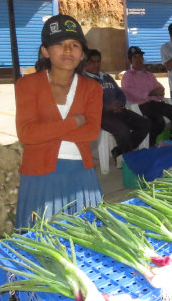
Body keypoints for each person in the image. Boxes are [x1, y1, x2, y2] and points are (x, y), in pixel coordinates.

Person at [14, 14, 103, 228]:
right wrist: (73, 122)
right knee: (43, 240)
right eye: (59, 44)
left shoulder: (92, 88)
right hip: (40, 176)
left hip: (80, 173)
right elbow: (26, 134)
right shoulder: (27, 85)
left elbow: (91, 133)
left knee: (84, 238)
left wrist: (44, 131)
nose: (67, 50)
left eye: (74, 45)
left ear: (82, 54)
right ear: (45, 51)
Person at [83, 49, 150, 164]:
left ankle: (120, 151)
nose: (96, 65)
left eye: (98, 61)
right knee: (122, 130)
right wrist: (107, 106)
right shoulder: (83, 80)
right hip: (101, 115)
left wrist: (120, 103)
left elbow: (120, 93)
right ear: (85, 63)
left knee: (145, 123)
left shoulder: (106, 76)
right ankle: (130, 161)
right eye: (92, 62)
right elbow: (86, 104)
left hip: (119, 110)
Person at [122, 46, 172, 144]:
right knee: (158, 123)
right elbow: (132, 94)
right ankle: (151, 147)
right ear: (130, 61)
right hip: (141, 106)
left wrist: (159, 91)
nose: (139, 60)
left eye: (140, 57)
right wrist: (152, 93)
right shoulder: (127, 76)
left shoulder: (148, 75)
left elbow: (159, 89)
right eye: (135, 57)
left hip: (155, 103)